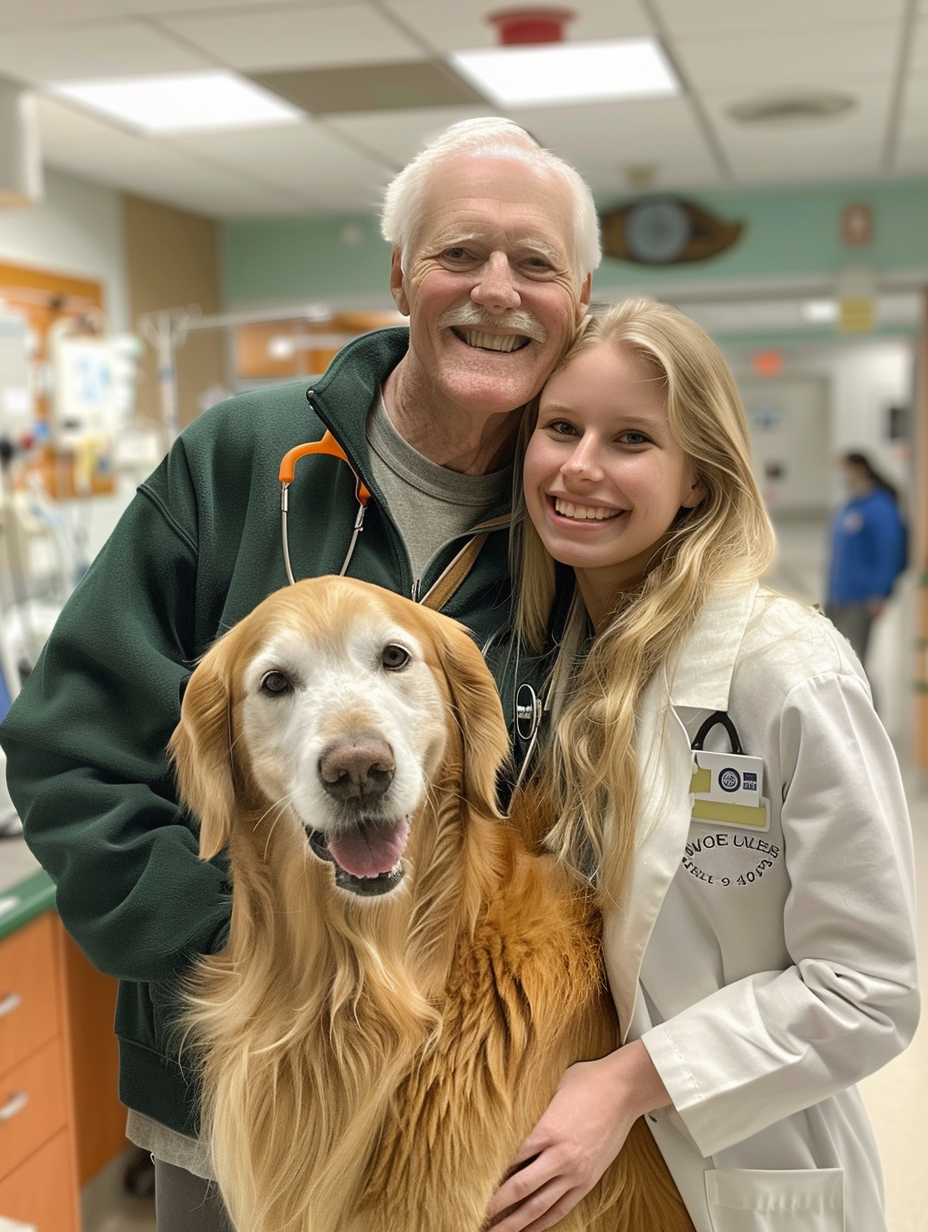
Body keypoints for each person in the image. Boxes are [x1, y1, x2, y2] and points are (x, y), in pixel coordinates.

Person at [0, 117, 597, 1230]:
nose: (496, 291)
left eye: (536, 262)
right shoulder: (240, 458)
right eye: (459, 253)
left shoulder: (578, 509)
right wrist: (231, 931)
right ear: (400, 275)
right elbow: (68, 743)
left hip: (462, 1100)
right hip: (233, 1094)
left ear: (582, 295)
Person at [487, 299, 918, 1232]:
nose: (581, 467)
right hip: (575, 1169)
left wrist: (627, 1085)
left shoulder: (783, 673)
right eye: (561, 428)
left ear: (696, 479)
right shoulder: (543, 663)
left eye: (632, 438)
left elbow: (871, 988)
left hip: (736, 1173)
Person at [826, 450, 907, 670]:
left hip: (861, 599)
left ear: (859, 470)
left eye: (843, 470)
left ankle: (868, 705)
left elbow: (889, 552)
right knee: (837, 661)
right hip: (838, 596)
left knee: (856, 663)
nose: (840, 476)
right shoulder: (848, 506)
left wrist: (880, 592)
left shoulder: (880, 506)